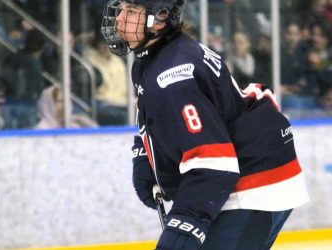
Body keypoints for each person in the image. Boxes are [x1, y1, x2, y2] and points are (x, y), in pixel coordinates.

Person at [101, 1, 309, 249]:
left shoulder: (174, 78)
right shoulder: (155, 58)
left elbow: (214, 163)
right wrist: (146, 153)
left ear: (160, 18)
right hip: (253, 168)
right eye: (122, 8)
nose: (120, 19)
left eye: (132, 12)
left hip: (253, 184)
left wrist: (187, 219)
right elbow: (164, 117)